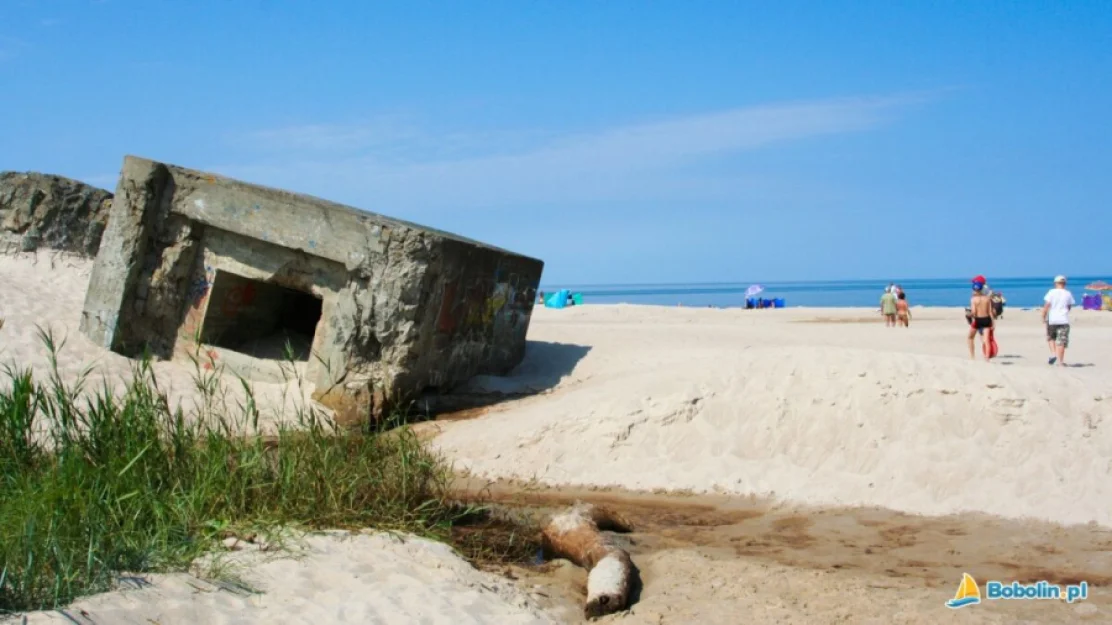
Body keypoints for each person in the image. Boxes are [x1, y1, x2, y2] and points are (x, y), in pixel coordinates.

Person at [1042, 275, 1076, 366]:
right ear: (1064, 283)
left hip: (1052, 319)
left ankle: (1053, 354)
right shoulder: (1068, 293)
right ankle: (1060, 361)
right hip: (1063, 319)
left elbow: (1047, 305)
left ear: (1055, 283)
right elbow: (1069, 306)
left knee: (1051, 337)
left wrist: (1043, 316)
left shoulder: (1051, 292)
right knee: (1061, 341)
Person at [967, 280, 995, 361]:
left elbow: (974, 312)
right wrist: (993, 323)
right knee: (986, 340)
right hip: (987, 320)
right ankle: (987, 358)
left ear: (974, 289)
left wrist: (969, 314)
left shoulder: (973, 299)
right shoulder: (987, 298)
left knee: (970, 337)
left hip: (978, 320)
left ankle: (972, 357)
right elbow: (990, 312)